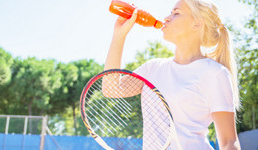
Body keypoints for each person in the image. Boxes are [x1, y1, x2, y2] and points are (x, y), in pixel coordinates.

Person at [103, 0, 241, 149]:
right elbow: (111, 89)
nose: (167, 18)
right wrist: (119, 35)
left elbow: (228, 142)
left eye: (176, 13)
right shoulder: (152, 68)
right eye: (170, 13)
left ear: (197, 23)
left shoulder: (214, 73)